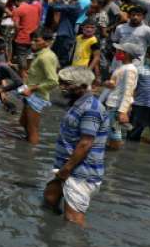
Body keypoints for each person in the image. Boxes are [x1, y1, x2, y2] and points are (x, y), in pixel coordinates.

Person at [43, 66, 108, 227]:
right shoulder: (77, 103)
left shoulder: (91, 109)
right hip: (65, 166)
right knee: (50, 198)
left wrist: (66, 170)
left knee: (73, 221)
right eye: (61, 83)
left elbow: (86, 143)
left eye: (67, 84)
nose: (62, 87)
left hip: (80, 172)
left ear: (83, 86)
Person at [18, 29, 59, 144]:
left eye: (36, 40)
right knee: (23, 122)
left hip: (37, 95)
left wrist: (31, 88)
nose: (32, 43)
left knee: (33, 129)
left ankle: (29, 155)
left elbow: (53, 81)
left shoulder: (45, 57)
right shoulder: (39, 55)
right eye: (32, 40)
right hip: (30, 93)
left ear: (47, 42)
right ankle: (26, 144)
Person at [103, 42, 143, 149]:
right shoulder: (123, 67)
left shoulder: (130, 69)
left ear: (126, 54)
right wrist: (110, 84)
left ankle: (114, 157)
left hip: (117, 106)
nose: (116, 52)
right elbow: (118, 86)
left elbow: (128, 91)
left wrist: (122, 111)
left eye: (119, 51)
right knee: (111, 131)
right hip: (113, 104)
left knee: (114, 133)